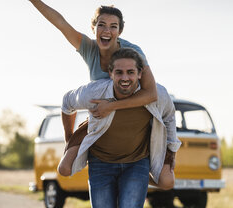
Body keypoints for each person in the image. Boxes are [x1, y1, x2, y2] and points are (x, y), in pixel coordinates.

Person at [15, 0, 173, 189]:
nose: (106, 31)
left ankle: (146, 170)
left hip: (132, 119)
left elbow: (151, 93)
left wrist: (113, 106)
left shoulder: (133, 53)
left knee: (166, 183)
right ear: (94, 28)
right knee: (64, 168)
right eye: (101, 25)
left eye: (113, 26)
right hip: (102, 119)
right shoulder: (89, 49)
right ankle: (95, 155)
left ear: (119, 31)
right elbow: (60, 23)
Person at [61, 48, 181, 208]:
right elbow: (67, 102)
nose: (125, 78)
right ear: (111, 73)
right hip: (100, 162)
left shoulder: (158, 94)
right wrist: (69, 139)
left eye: (130, 72)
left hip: (137, 162)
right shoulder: (95, 92)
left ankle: (143, 177)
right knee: (63, 169)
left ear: (140, 73)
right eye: (119, 72)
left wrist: (171, 150)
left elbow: (169, 116)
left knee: (164, 183)